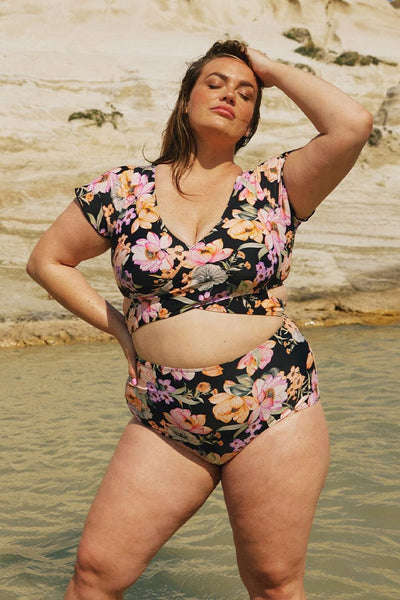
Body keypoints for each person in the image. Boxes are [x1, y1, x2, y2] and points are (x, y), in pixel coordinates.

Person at [27, 39, 372, 600]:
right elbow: (48, 260)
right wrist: (122, 330)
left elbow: (352, 124)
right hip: (165, 410)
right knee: (95, 573)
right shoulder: (124, 190)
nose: (230, 96)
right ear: (186, 99)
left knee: (274, 583)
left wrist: (270, 69)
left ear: (250, 122)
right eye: (215, 83)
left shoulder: (276, 187)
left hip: (272, 401)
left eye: (245, 95)